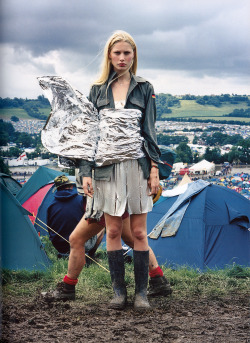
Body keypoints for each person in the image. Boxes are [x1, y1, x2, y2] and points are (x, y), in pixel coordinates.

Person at [79, 30, 162, 311]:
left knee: (139, 233)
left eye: (128, 52)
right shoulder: (96, 91)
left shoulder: (145, 87)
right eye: (117, 53)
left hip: (137, 167)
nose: (123, 58)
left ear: (134, 55)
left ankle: (141, 294)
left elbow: (149, 133)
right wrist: (85, 172)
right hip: (106, 170)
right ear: (109, 56)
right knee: (113, 230)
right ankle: (118, 293)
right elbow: (88, 136)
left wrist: (154, 170)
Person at [43, 172, 172, 302]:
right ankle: (158, 280)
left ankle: (68, 288)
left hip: (104, 194)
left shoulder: (54, 202)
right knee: (132, 239)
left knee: (77, 239)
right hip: (117, 191)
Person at [47, 175, 104, 258]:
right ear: (70, 186)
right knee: (101, 228)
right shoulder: (81, 199)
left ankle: (65, 255)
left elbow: (49, 229)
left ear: (57, 189)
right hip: (79, 243)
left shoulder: (51, 206)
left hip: (59, 246)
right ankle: (91, 256)